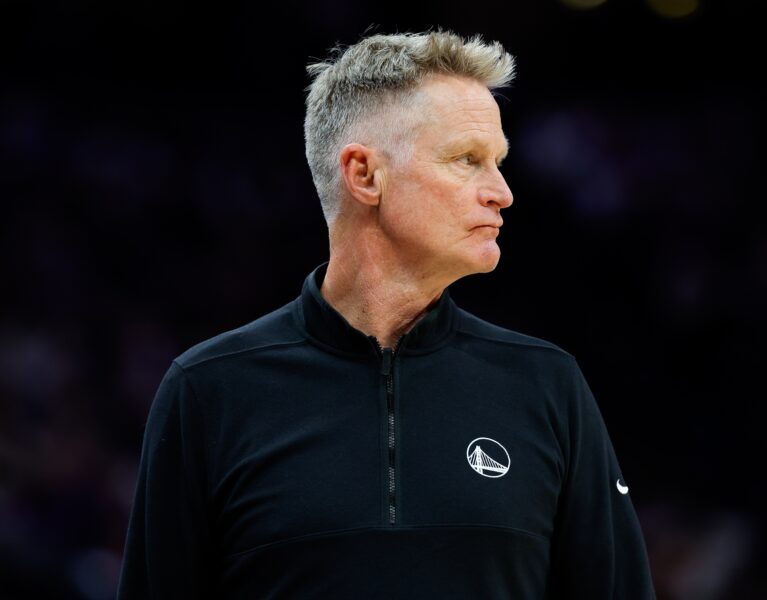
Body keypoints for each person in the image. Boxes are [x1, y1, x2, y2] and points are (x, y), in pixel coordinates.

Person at [117, 29, 656, 599]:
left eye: (497, 162)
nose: (501, 191)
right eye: (467, 160)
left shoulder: (548, 385)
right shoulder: (207, 391)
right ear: (365, 175)